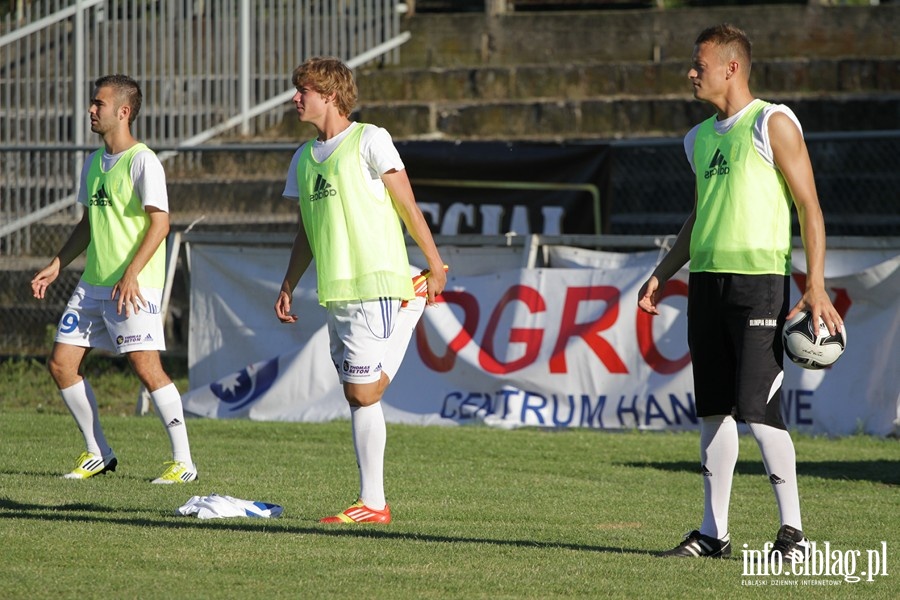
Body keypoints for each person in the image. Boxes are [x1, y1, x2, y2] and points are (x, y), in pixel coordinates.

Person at [637, 24, 843, 562]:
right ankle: (713, 533)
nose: (690, 73)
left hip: (760, 288)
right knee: (713, 412)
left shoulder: (772, 122)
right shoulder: (697, 138)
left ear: (731, 67)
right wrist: (665, 270)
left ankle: (793, 534)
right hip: (707, 285)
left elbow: (810, 207)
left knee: (759, 409)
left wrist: (814, 285)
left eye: (698, 65)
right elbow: (702, 213)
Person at [274, 57, 446, 524]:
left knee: (363, 392)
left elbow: (407, 205)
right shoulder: (302, 159)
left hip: (377, 283)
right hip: (337, 291)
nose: (295, 98)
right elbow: (307, 232)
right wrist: (289, 282)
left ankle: (373, 503)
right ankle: (373, 504)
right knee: (356, 395)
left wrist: (433, 263)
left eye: (302, 90)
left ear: (329, 95)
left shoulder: (371, 138)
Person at [31, 74, 197, 484]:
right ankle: (98, 452)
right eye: (92, 102)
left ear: (123, 112)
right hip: (93, 282)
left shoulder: (143, 161)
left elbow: (161, 224)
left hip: (133, 284)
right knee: (61, 364)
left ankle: (184, 462)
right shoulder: (93, 162)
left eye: (98, 104)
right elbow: (88, 224)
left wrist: (131, 274)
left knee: (146, 367)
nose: (91, 109)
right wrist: (58, 262)